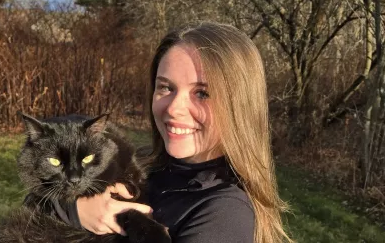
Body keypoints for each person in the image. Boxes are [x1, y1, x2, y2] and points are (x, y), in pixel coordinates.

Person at [56, 22, 293, 243]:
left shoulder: (224, 214)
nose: (173, 108)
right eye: (166, 88)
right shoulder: (140, 164)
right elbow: (36, 204)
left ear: (240, 105)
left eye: (202, 93)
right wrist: (76, 209)